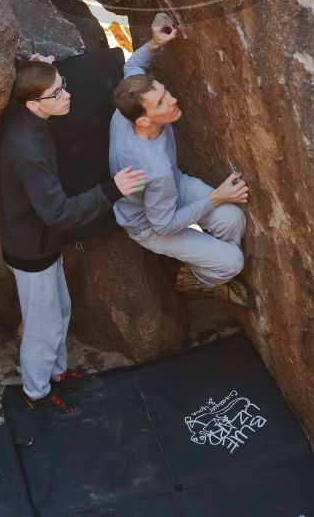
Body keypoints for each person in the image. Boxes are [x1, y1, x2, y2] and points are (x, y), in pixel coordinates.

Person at [0, 55, 147, 419]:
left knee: (59, 311)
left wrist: (37, 66)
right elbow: (58, 213)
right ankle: (37, 393)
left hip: (41, 241)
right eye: (56, 92)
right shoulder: (27, 148)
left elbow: (26, 80)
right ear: (34, 104)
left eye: (63, 84)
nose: (67, 95)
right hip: (32, 248)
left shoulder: (28, 114)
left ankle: (56, 373)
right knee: (41, 325)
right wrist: (113, 190)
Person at [109, 15, 254, 307]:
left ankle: (205, 256)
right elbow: (162, 226)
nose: (172, 100)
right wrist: (215, 197)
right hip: (149, 225)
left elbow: (133, 67)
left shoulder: (129, 102)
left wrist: (154, 43)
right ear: (145, 120)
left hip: (172, 187)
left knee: (233, 219)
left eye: (165, 92)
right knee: (232, 261)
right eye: (162, 102)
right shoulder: (154, 167)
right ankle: (201, 280)